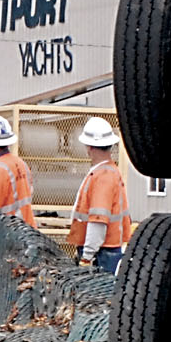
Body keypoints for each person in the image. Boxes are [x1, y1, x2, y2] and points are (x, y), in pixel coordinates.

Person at [67, 116, 132, 272]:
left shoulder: (103, 176)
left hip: (101, 254)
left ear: (89, 147)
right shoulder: (107, 172)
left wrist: (86, 257)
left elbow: (98, 221)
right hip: (105, 251)